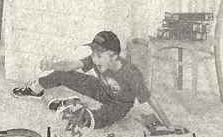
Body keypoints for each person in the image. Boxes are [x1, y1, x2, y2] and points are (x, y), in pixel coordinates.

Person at [14, 30, 167, 130]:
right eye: (93, 54)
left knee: (89, 122)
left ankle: (71, 107)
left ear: (114, 56)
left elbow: (150, 98)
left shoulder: (131, 73)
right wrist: (52, 65)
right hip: (101, 89)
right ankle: (36, 90)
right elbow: (71, 66)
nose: (95, 59)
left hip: (120, 104)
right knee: (62, 74)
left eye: (99, 56)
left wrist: (168, 124)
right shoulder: (96, 60)